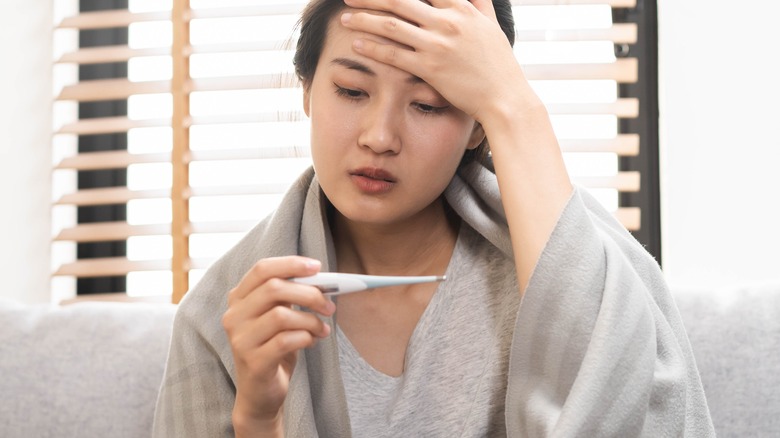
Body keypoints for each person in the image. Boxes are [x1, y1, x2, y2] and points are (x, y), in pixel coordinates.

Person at [153, 0, 715, 436]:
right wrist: (258, 421)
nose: (379, 136)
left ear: (478, 125)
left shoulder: (573, 266)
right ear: (306, 90)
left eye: (427, 104)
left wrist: (513, 103)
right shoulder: (218, 320)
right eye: (351, 90)